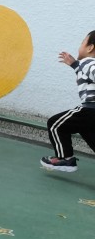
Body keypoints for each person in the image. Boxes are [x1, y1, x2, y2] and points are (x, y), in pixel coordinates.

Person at [41, 29, 95, 173]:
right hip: (91, 114)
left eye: (83, 42)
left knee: (55, 124)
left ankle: (65, 159)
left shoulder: (88, 62)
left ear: (90, 47)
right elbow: (86, 74)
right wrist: (74, 64)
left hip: (90, 109)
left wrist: (78, 64)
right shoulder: (84, 65)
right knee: (87, 131)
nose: (80, 46)